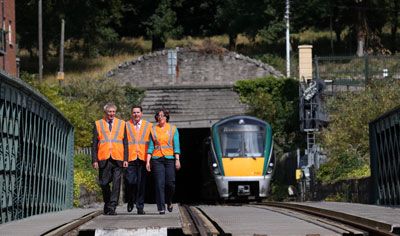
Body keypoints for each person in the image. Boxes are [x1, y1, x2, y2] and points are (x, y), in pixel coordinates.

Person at [92, 102, 128, 215]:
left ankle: (112, 207)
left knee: (116, 183)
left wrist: (126, 159)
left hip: (118, 158)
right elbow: (94, 144)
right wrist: (94, 160)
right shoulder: (98, 124)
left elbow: (125, 142)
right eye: (109, 112)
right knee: (103, 183)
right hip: (104, 158)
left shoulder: (122, 124)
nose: (111, 114)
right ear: (105, 112)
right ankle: (107, 203)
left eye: (113, 112)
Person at [146, 108, 181, 214]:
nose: (160, 117)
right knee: (159, 183)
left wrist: (177, 159)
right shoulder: (153, 129)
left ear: (166, 117)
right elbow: (151, 147)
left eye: (162, 115)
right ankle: (161, 207)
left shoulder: (173, 129)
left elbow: (176, 146)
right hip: (157, 159)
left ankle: (169, 201)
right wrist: (148, 161)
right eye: (158, 115)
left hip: (169, 159)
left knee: (170, 183)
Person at [124, 105, 152, 215]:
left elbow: (152, 142)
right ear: (132, 114)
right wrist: (124, 158)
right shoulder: (126, 125)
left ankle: (140, 206)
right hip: (130, 158)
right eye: (134, 112)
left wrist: (150, 159)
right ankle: (131, 199)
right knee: (131, 182)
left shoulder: (148, 125)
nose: (136, 114)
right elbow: (124, 142)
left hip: (143, 158)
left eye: (138, 112)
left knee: (141, 183)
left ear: (141, 113)